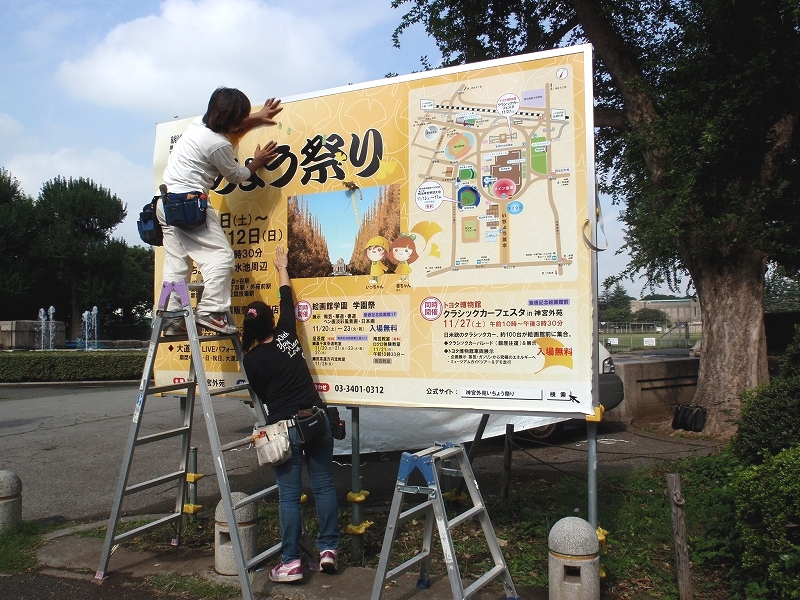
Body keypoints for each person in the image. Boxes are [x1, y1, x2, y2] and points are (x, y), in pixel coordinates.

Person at [241, 246, 339, 583]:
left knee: (289, 496)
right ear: (272, 321)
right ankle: (328, 551)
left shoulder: (251, 361)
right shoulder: (287, 333)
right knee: (324, 487)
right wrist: (282, 265)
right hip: (318, 420)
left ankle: (291, 562)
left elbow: (264, 396)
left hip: (286, 430)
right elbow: (286, 298)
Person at [159, 87, 282, 334]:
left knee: (177, 265)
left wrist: (257, 117)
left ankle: (173, 318)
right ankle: (211, 312)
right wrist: (257, 161)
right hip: (189, 205)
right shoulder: (217, 144)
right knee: (222, 258)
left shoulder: (197, 125)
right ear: (230, 119)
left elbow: (230, 125)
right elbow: (237, 175)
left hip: (164, 204)